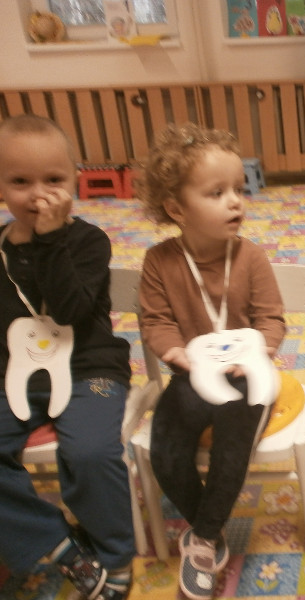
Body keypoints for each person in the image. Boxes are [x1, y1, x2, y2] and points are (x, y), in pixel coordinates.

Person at [137, 123, 285, 600]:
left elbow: (271, 319)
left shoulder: (251, 257)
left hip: (248, 374)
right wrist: (174, 351)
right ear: (177, 209)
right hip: (193, 374)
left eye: (239, 189)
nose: (236, 202)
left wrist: (262, 349)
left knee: (231, 444)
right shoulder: (160, 262)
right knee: (165, 450)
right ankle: (211, 525)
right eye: (217, 193)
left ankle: (201, 540)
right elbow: (156, 321)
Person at [0, 115, 134, 599]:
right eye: (20, 181)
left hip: (89, 368)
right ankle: (56, 542)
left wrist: (50, 239)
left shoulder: (87, 241)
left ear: (75, 180)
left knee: (90, 452)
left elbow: (72, 311)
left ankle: (115, 554)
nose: (39, 194)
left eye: (53, 180)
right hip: (16, 375)